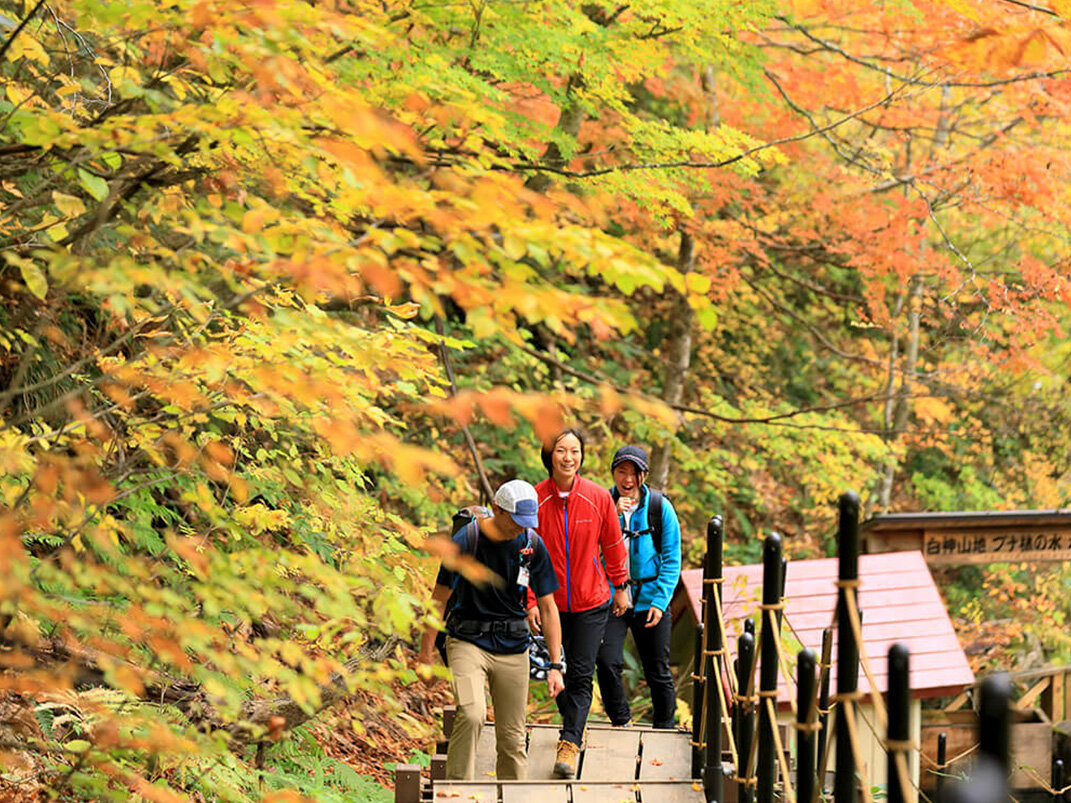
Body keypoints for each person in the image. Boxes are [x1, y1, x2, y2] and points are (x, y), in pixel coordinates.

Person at [419, 479, 564, 781]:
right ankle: (458, 792)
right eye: (516, 520)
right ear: (497, 509)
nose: (520, 527)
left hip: (513, 646)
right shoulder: (465, 542)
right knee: (472, 715)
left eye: (527, 522)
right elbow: (438, 602)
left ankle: (513, 796)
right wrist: (426, 655)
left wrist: (554, 665)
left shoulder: (531, 545)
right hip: (467, 641)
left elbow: (549, 609)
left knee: (512, 738)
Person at [528, 429, 630, 778]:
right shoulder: (536, 500)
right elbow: (524, 556)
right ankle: (575, 722)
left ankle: (569, 744)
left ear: (582, 456)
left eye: (574, 451)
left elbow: (614, 544)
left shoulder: (598, 498)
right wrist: (529, 601)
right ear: (549, 455)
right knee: (557, 672)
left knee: (583, 673)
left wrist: (620, 586)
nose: (568, 457)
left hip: (591, 601)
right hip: (549, 603)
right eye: (561, 451)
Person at [595, 445, 682, 729]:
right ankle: (621, 721)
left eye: (634, 472)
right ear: (614, 473)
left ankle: (664, 728)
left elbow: (672, 558)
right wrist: (612, 516)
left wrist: (660, 601)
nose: (628, 479)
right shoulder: (602, 504)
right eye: (622, 471)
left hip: (650, 599)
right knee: (606, 662)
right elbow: (589, 553)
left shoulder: (660, 507)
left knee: (657, 669)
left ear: (644, 475)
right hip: (611, 597)